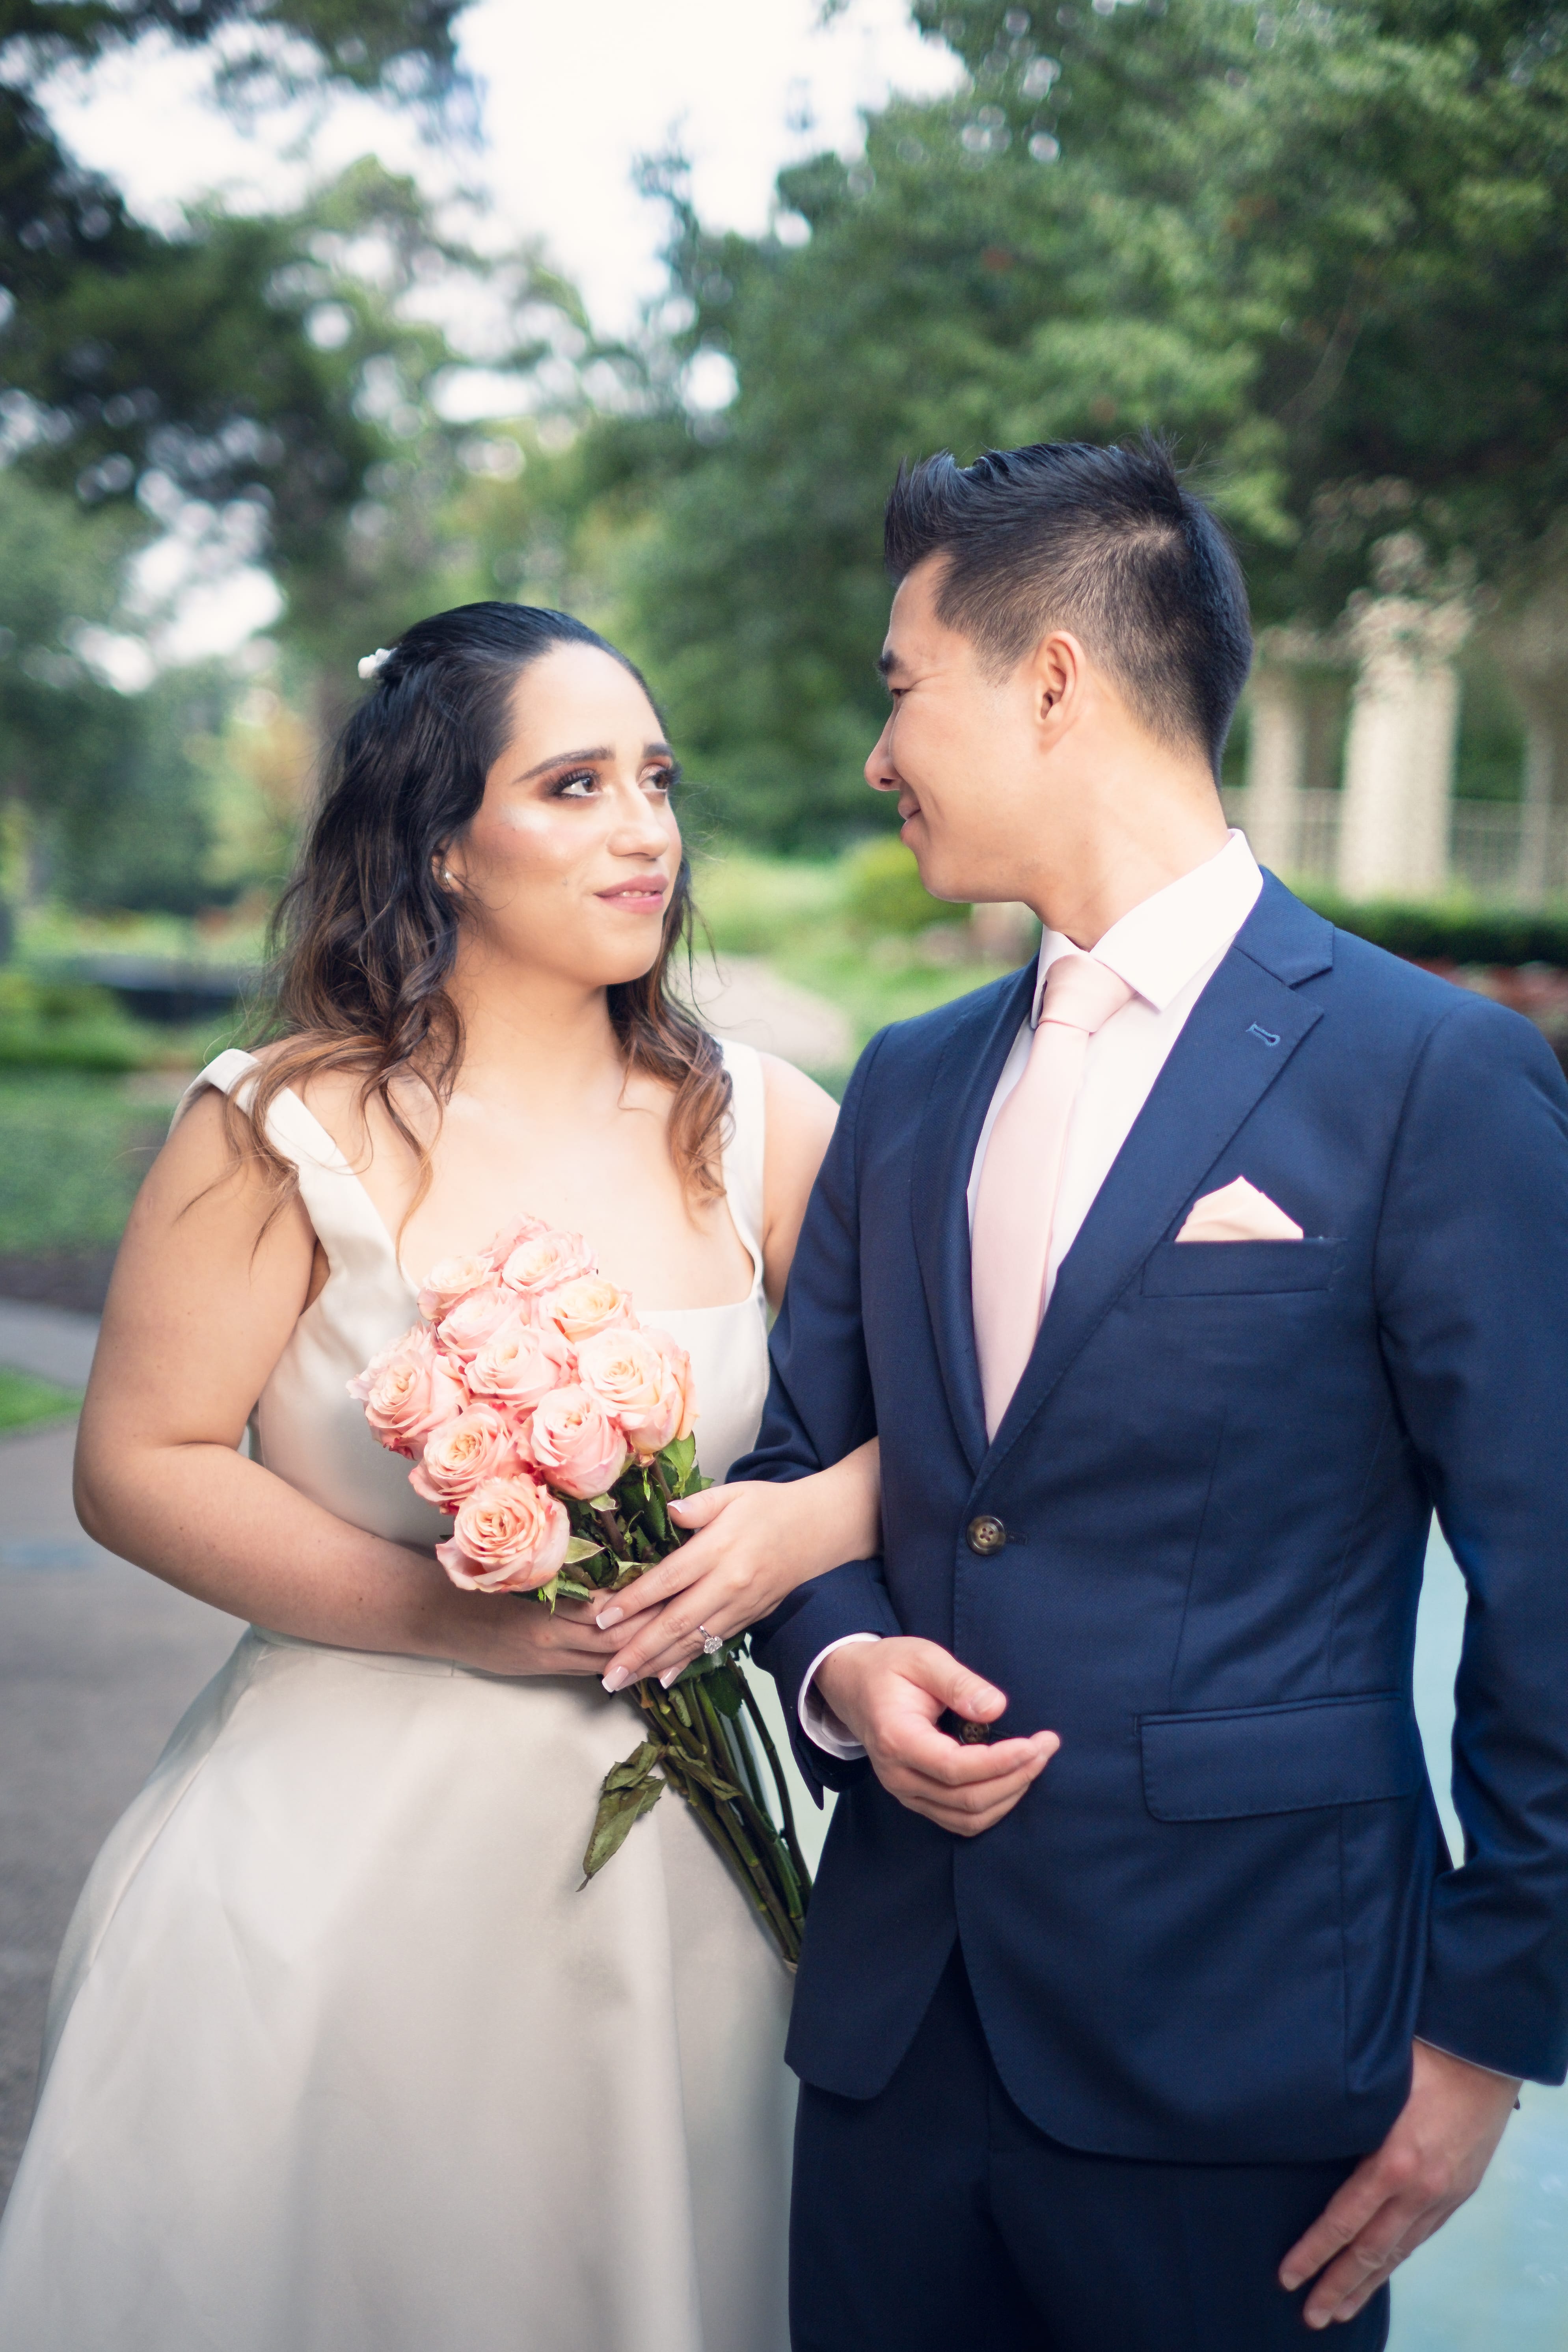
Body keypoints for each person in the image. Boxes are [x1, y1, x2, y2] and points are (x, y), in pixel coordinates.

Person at [728, 441, 1568, 2350]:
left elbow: (1550, 1588)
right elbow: (805, 1465)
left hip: (1241, 2039)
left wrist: (1481, 2037)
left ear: (1049, 680)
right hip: (892, 2044)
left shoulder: (1429, 1076)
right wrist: (844, 1668)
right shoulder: (908, 1080)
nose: (875, 755)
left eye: (898, 689)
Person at [0, 602, 878, 2352]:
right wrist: (454, 1618)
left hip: (673, 1884)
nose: (644, 829)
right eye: (574, 785)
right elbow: (140, 1464)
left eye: (655, 781)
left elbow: (956, 1430)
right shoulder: (281, 1124)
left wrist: (797, 1528)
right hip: (325, 1879)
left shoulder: (762, 1125)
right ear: (442, 843)